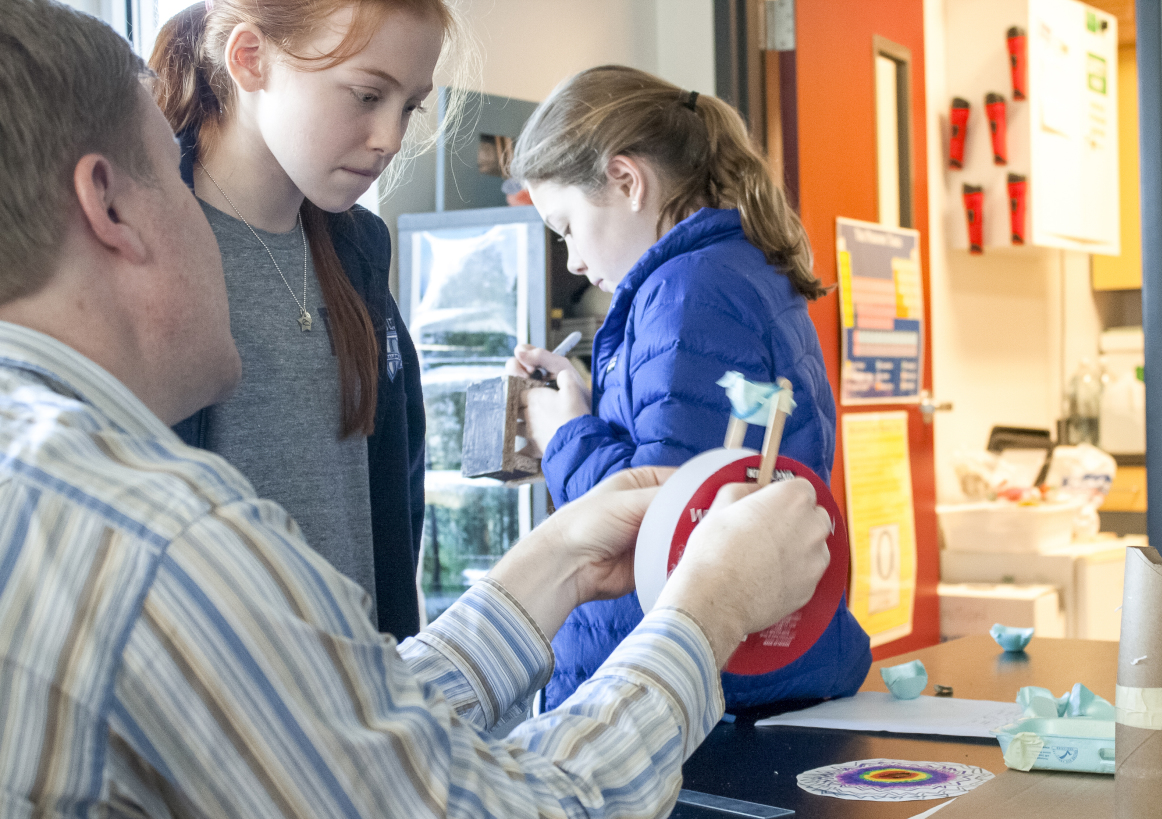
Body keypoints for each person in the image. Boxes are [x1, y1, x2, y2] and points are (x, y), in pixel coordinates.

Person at [0, 3, 834, 815]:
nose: (391, 138)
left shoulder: (45, 473)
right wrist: (708, 609)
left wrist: (553, 565)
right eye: (176, 185)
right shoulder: (162, 541)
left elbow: (328, 726)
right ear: (107, 204)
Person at [505, 65, 871, 710]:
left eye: (566, 227)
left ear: (626, 179)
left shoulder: (686, 292)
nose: (573, 261)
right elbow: (693, 464)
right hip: (747, 676)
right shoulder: (729, 272)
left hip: (697, 695)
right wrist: (584, 408)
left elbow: (665, 525)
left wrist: (564, 435)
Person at [148, 0, 432, 639]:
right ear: (250, 60)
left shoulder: (360, 253)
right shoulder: (142, 252)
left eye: (409, 106)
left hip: (357, 702)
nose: (389, 137)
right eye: (365, 95)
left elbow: (389, 510)